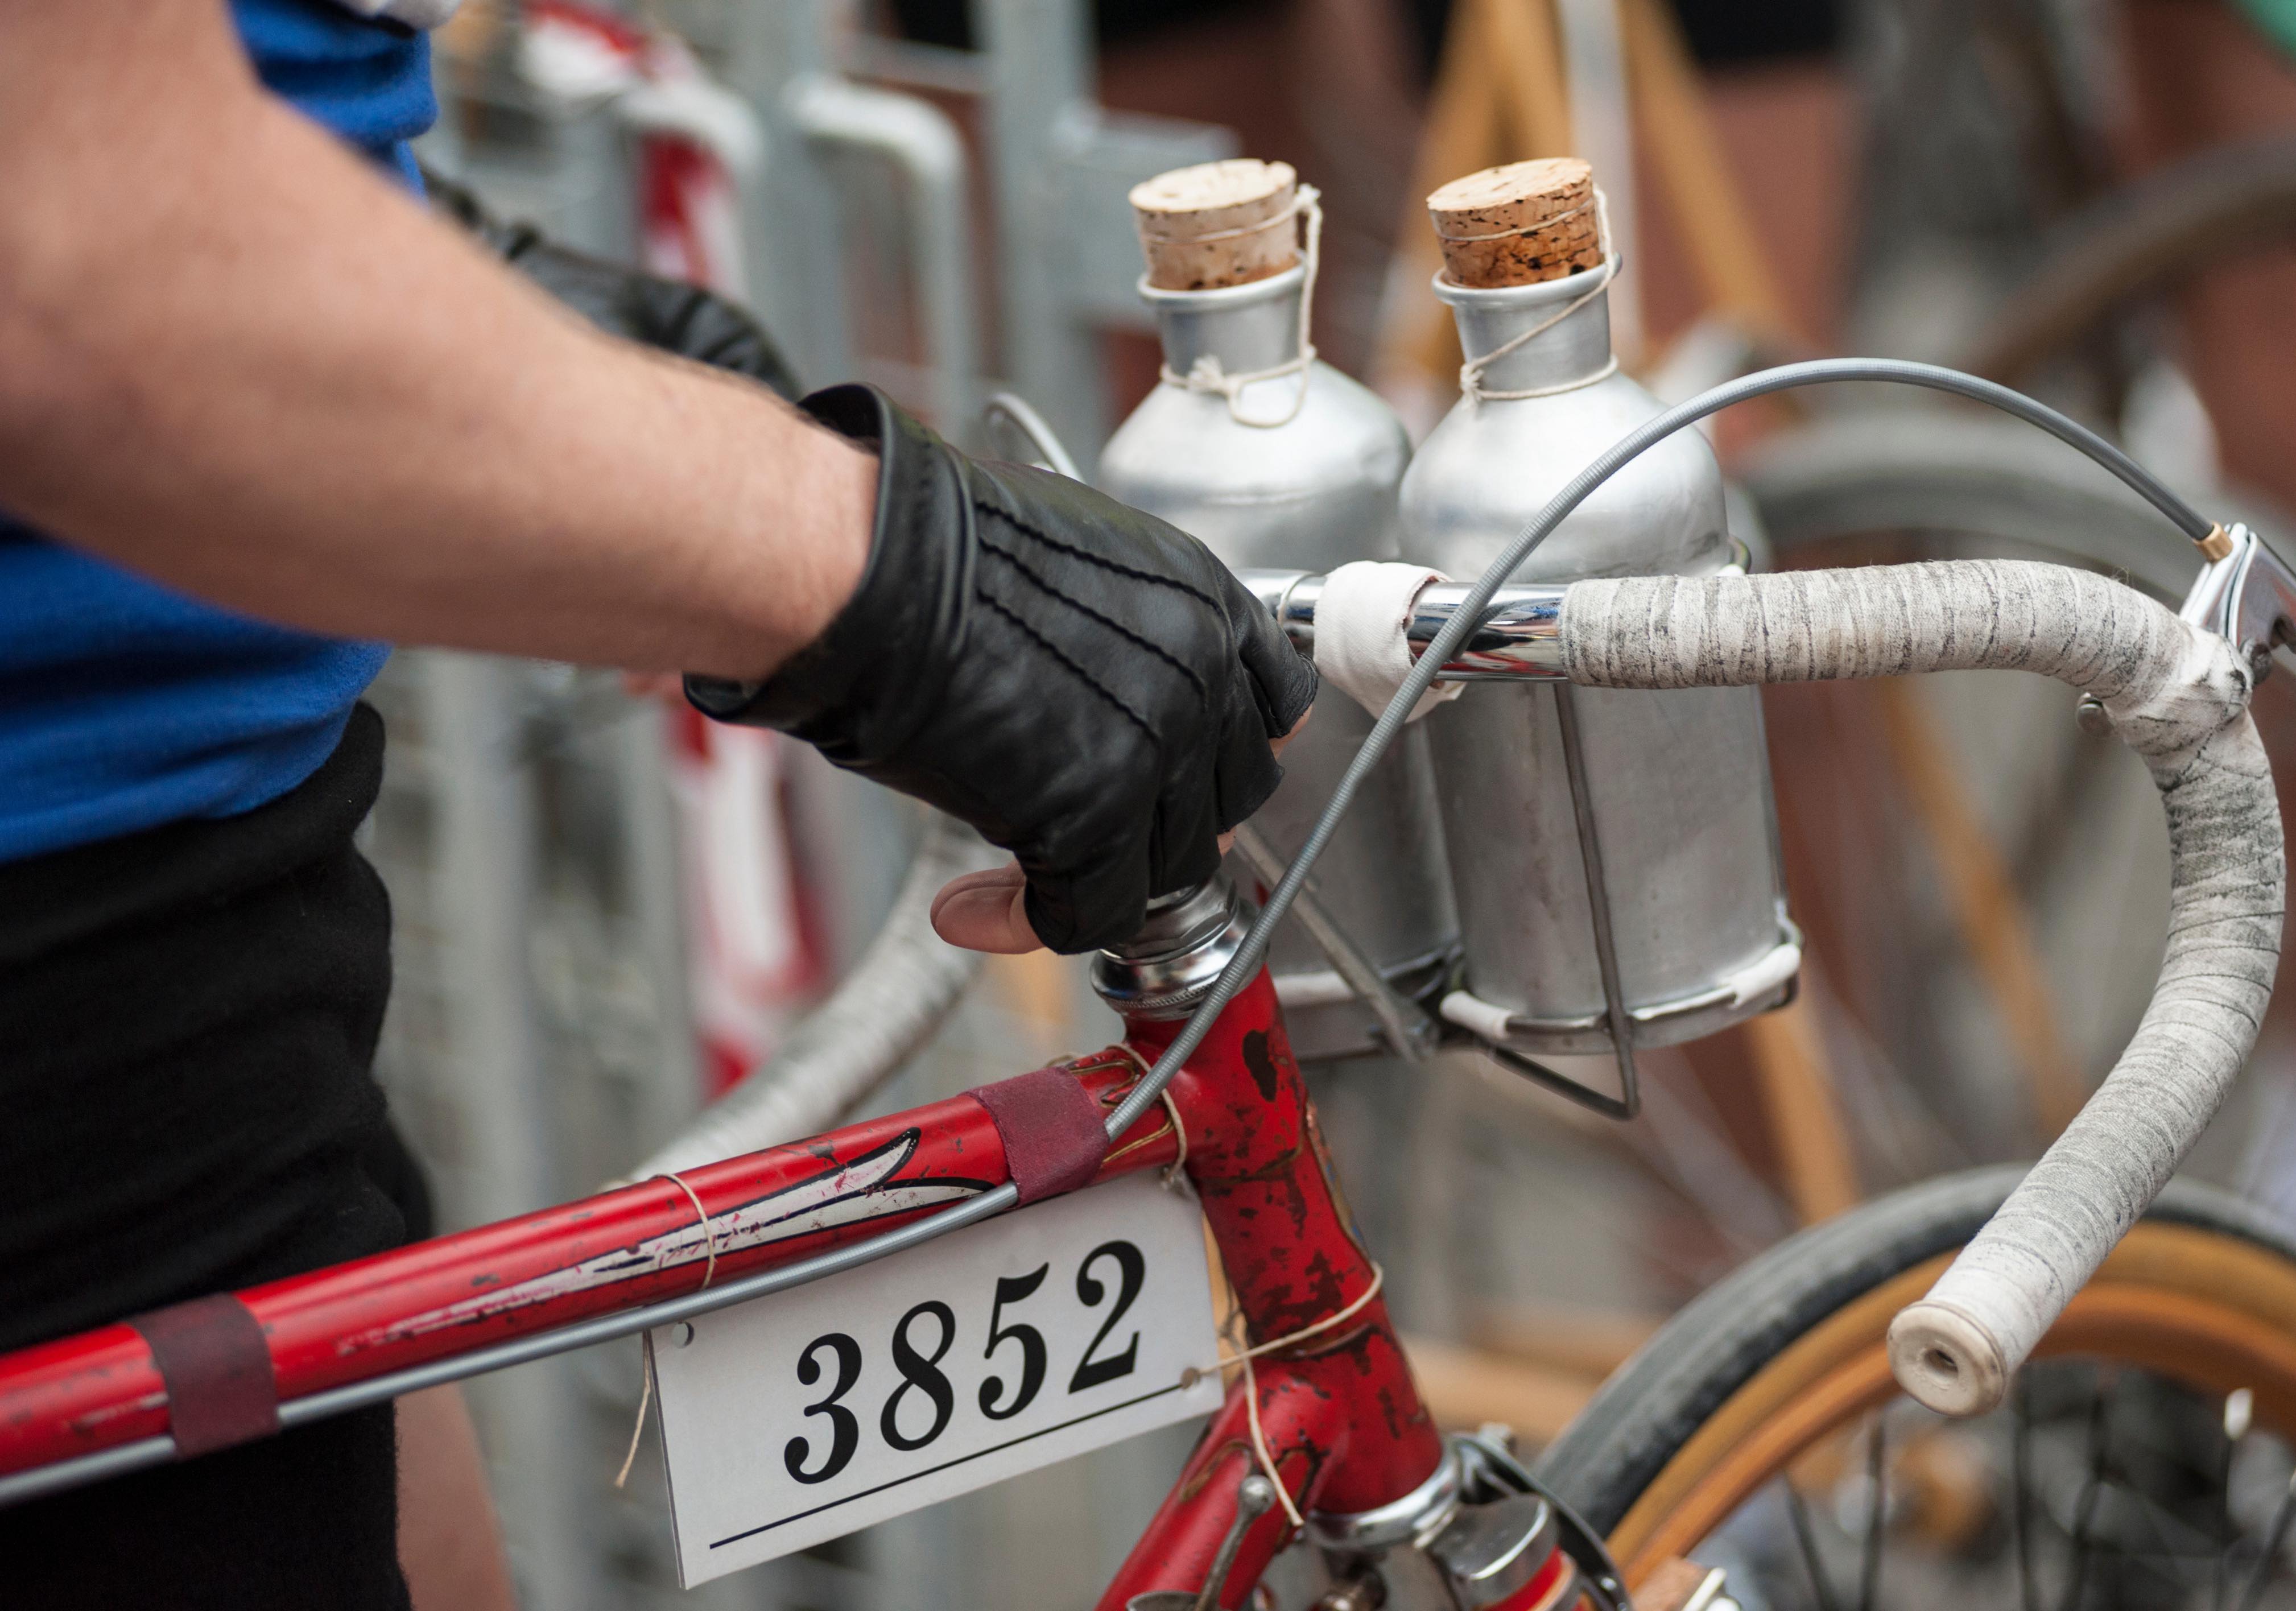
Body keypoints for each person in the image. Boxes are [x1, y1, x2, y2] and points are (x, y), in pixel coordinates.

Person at [0, 2, 1317, 1606]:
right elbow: (82, 278)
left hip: (214, 925)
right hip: (72, 1008)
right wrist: (911, 582)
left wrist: (440, 273)